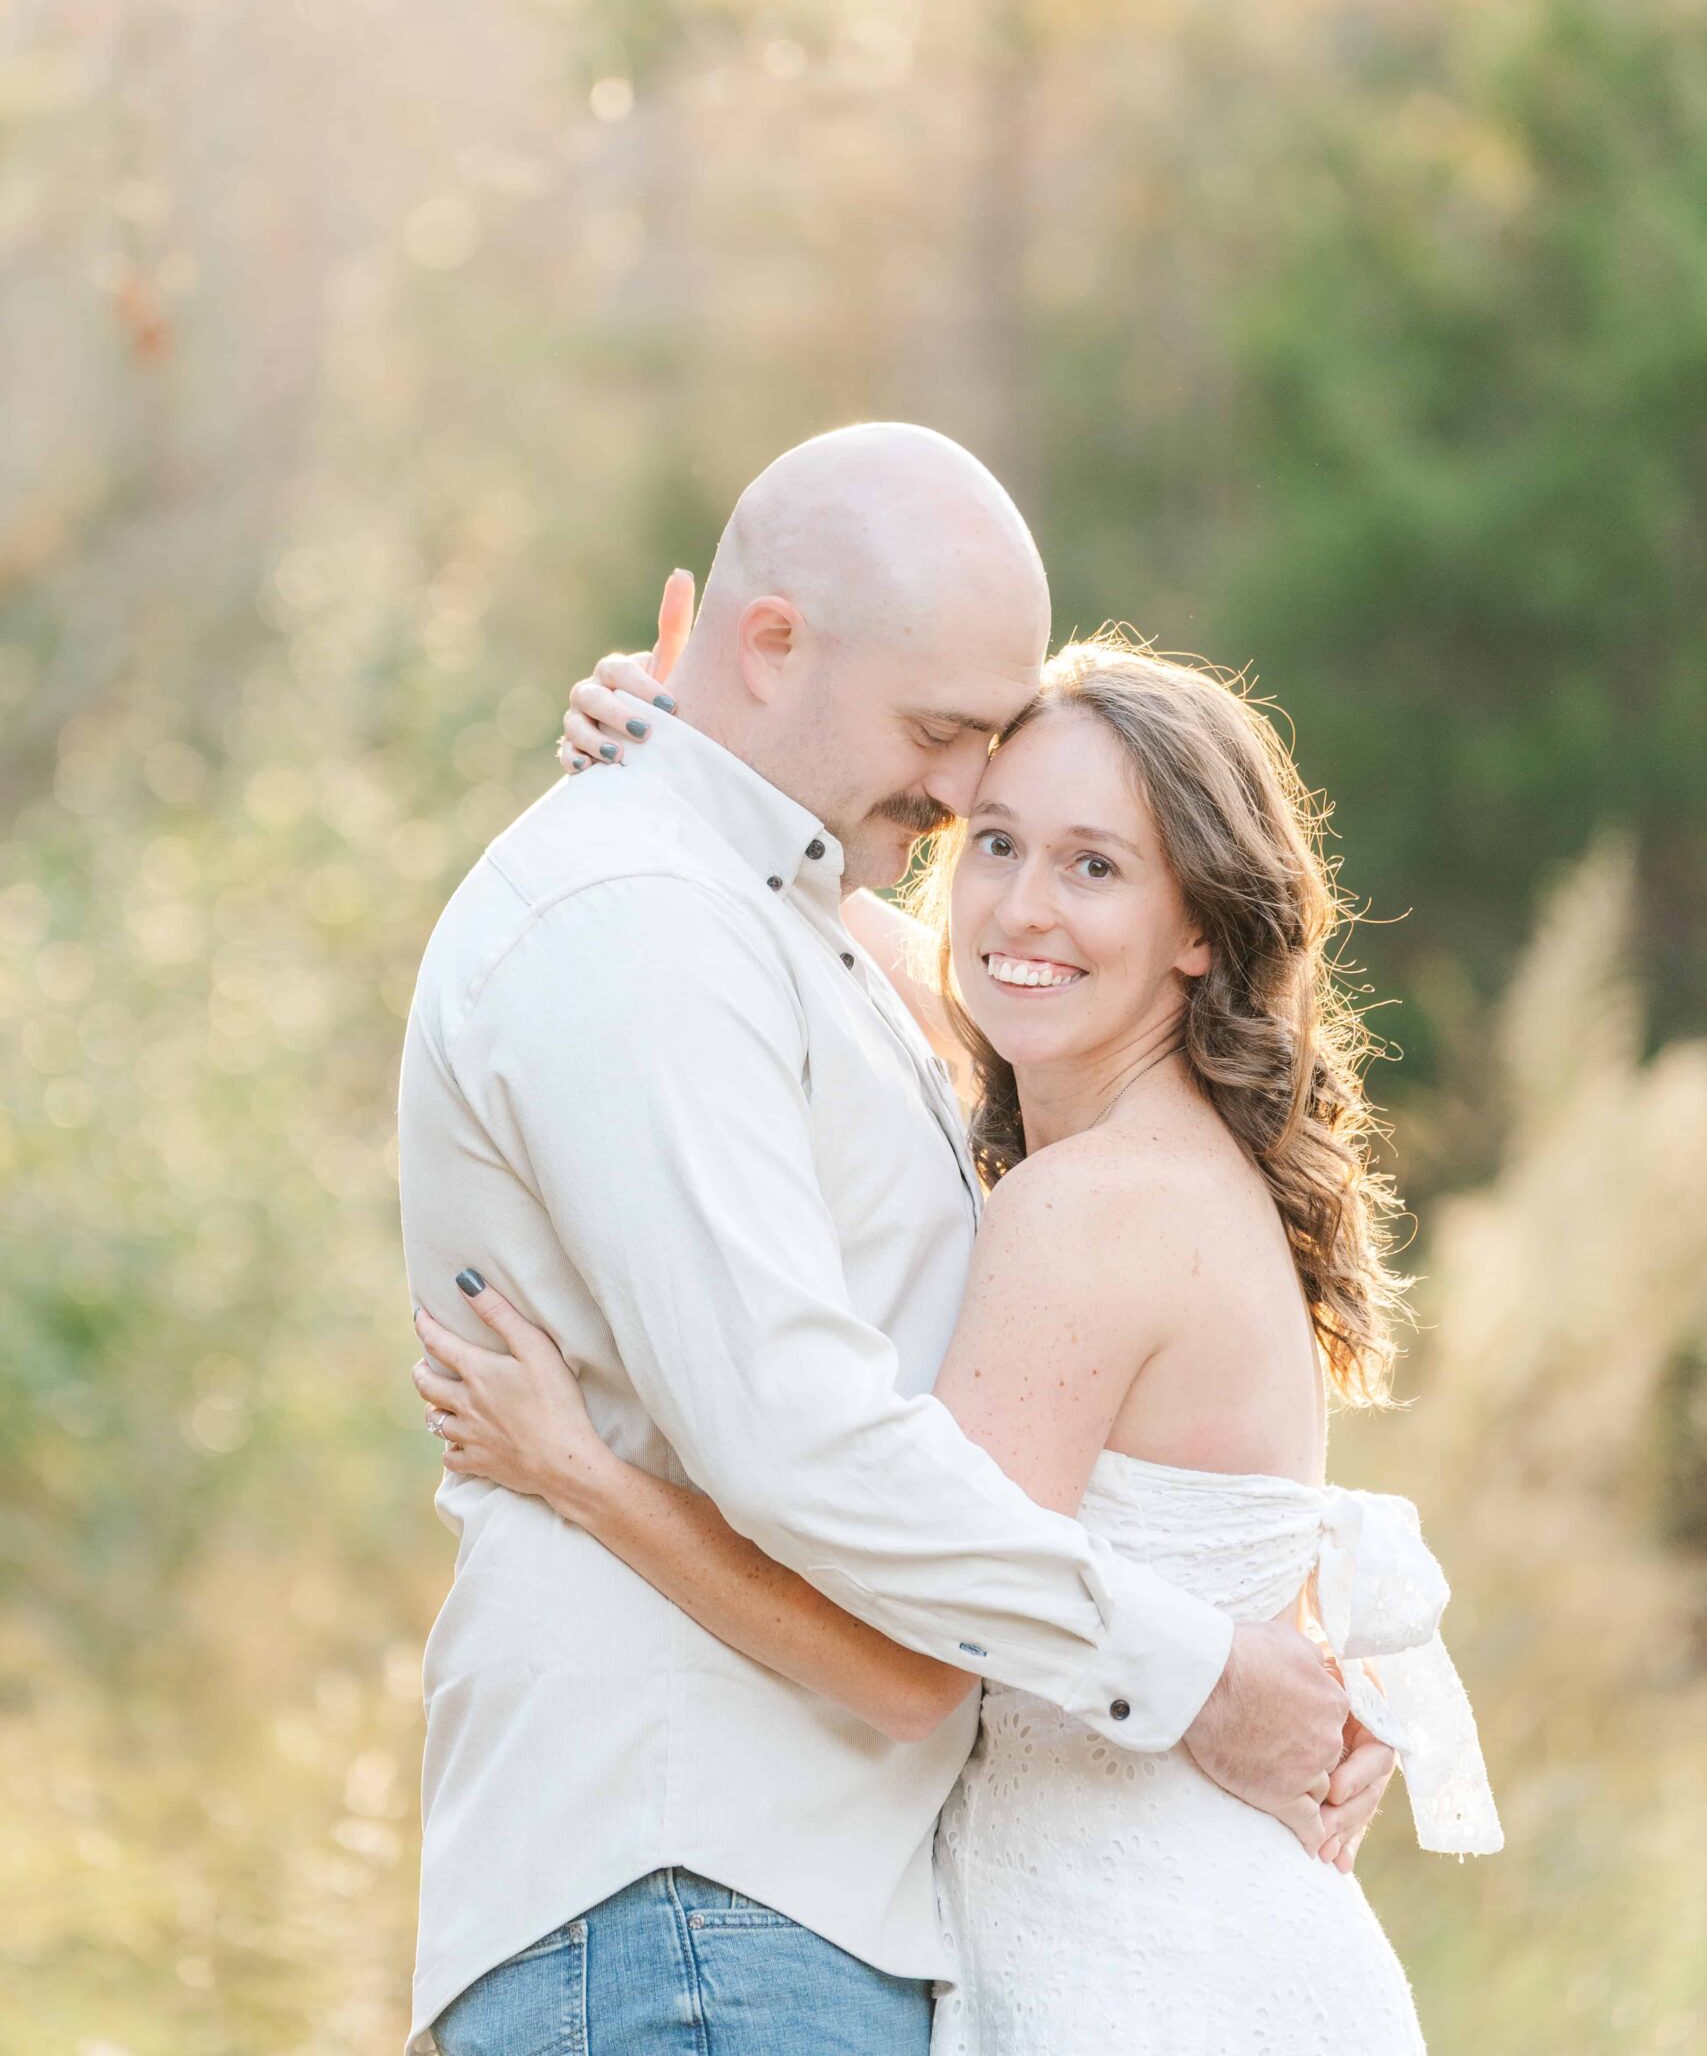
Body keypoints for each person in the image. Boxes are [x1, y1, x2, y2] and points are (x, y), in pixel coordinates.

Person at [397, 425, 1384, 2056]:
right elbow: (813, 1457)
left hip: (844, 1912)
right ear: (772, 642)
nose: (976, 857)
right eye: (984, 813)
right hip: (699, 1885)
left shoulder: (1060, 1160)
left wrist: (583, 1471)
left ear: (1199, 928)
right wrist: (661, 742)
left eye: (1087, 863)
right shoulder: (668, 925)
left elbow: (905, 1633)